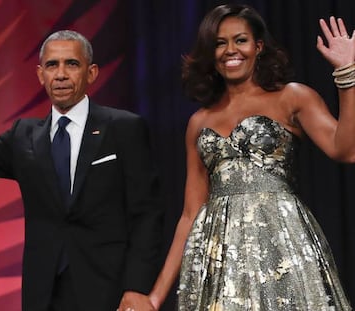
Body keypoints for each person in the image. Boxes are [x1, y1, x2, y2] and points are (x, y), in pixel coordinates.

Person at [147, 4, 354, 311]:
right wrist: (154, 297)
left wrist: (346, 74)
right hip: (220, 257)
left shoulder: (291, 96)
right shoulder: (199, 122)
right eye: (220, 42)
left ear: (258, 46)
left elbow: (345, 149)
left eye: (240, 40)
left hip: (280, 244)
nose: (231, 50)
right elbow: (190, 215)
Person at [0, 30, 163, 311]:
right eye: (51, 65)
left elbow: (147, 214)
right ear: (40, 75)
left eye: (72, 64)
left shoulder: (124, 128)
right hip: (44, 294)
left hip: (110, 291)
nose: (60, 74)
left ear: (91, 73)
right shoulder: (24, 136)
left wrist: (138, 287)